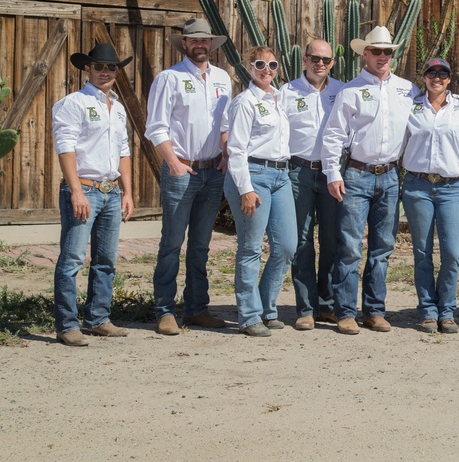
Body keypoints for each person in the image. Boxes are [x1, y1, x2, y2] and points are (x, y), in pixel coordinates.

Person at [320, 26, 420, 335]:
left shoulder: (408, 89)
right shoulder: (350, 91)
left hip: (390, 175)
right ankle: (346, 310)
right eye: (376, 51)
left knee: (383, 246)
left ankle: (374, 310)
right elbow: (334, 134)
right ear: (365, 54)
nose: (382, 56)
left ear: (393, 54)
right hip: (356, 173)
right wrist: (333, 173)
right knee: (350, 246)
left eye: (387, 51)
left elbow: (435, 105)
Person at [145, 18, 231, 336]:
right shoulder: (169, 79)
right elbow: (156, 126)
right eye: (194, 40)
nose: (200, 44)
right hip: (182, 169)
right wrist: (173, 162)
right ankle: (165, 310)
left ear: (211, 44)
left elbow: (225, 125)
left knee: (201, 245)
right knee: (171, 242)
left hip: (213, 170)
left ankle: (197, 308)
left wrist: (226, 156)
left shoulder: (223, 79)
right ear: (183, 43)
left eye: (204, 40)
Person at [52, 43, 135, 346]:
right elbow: (66, 148)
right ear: (87, 68)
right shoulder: (73, 103)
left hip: (111, 191)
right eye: (98, 66)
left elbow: (124, 152)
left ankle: (98, 318)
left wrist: (127, 192)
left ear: (116, 71)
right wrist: (75, 191)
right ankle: (66, 324)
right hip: (84, 188)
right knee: (72, 259)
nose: (105, 72)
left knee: (106, 260)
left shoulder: (119, 107)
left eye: (110, 67)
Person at [224, 46, 298, 337]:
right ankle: (250, 315)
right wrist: (245, 189)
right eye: (260, 64)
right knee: (251, 247)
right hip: (253, 175)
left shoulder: (279, 99)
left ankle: (268, 306)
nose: (267, 69)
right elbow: (236, 148)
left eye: (272, 65)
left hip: (281, 174)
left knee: (287, 246)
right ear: (249, 68)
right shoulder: (245, 102)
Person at [402, 57, 459, 334]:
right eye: (431, 72)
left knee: (451, 253)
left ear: (449, 78)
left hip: (450, 187)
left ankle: (447, 311)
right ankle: (428, 311)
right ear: (423, 77)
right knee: (422, 252)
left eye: (442, 73)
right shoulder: (411, 106)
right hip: (417, 185)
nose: (437, 77)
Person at [280, 39, 344, 331]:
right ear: (303, 59)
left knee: (332, 240)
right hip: (299, 172)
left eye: (326, 60)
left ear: (333, 63)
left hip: (333, 173)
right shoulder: (287, 92)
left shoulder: (343, 90)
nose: (320, 64)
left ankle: (328, 306)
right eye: (314, 58)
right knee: (302, 241)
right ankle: (306, 308)